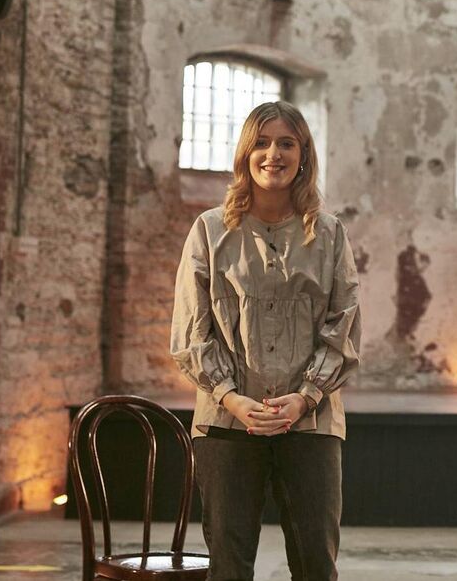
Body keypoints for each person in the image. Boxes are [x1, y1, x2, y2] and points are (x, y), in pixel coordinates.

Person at [171, 101, 361, 581]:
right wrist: (231, 398)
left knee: (316, 563)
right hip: (227, 423)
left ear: (303, 155)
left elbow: (343, 325)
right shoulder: (210, 231)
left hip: (311, 421)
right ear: (245, 153)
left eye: (286, 143)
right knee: (230, 566)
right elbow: (192, 329)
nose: (273, 154)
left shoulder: (331, 234)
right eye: (261, 142)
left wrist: (306, 396)